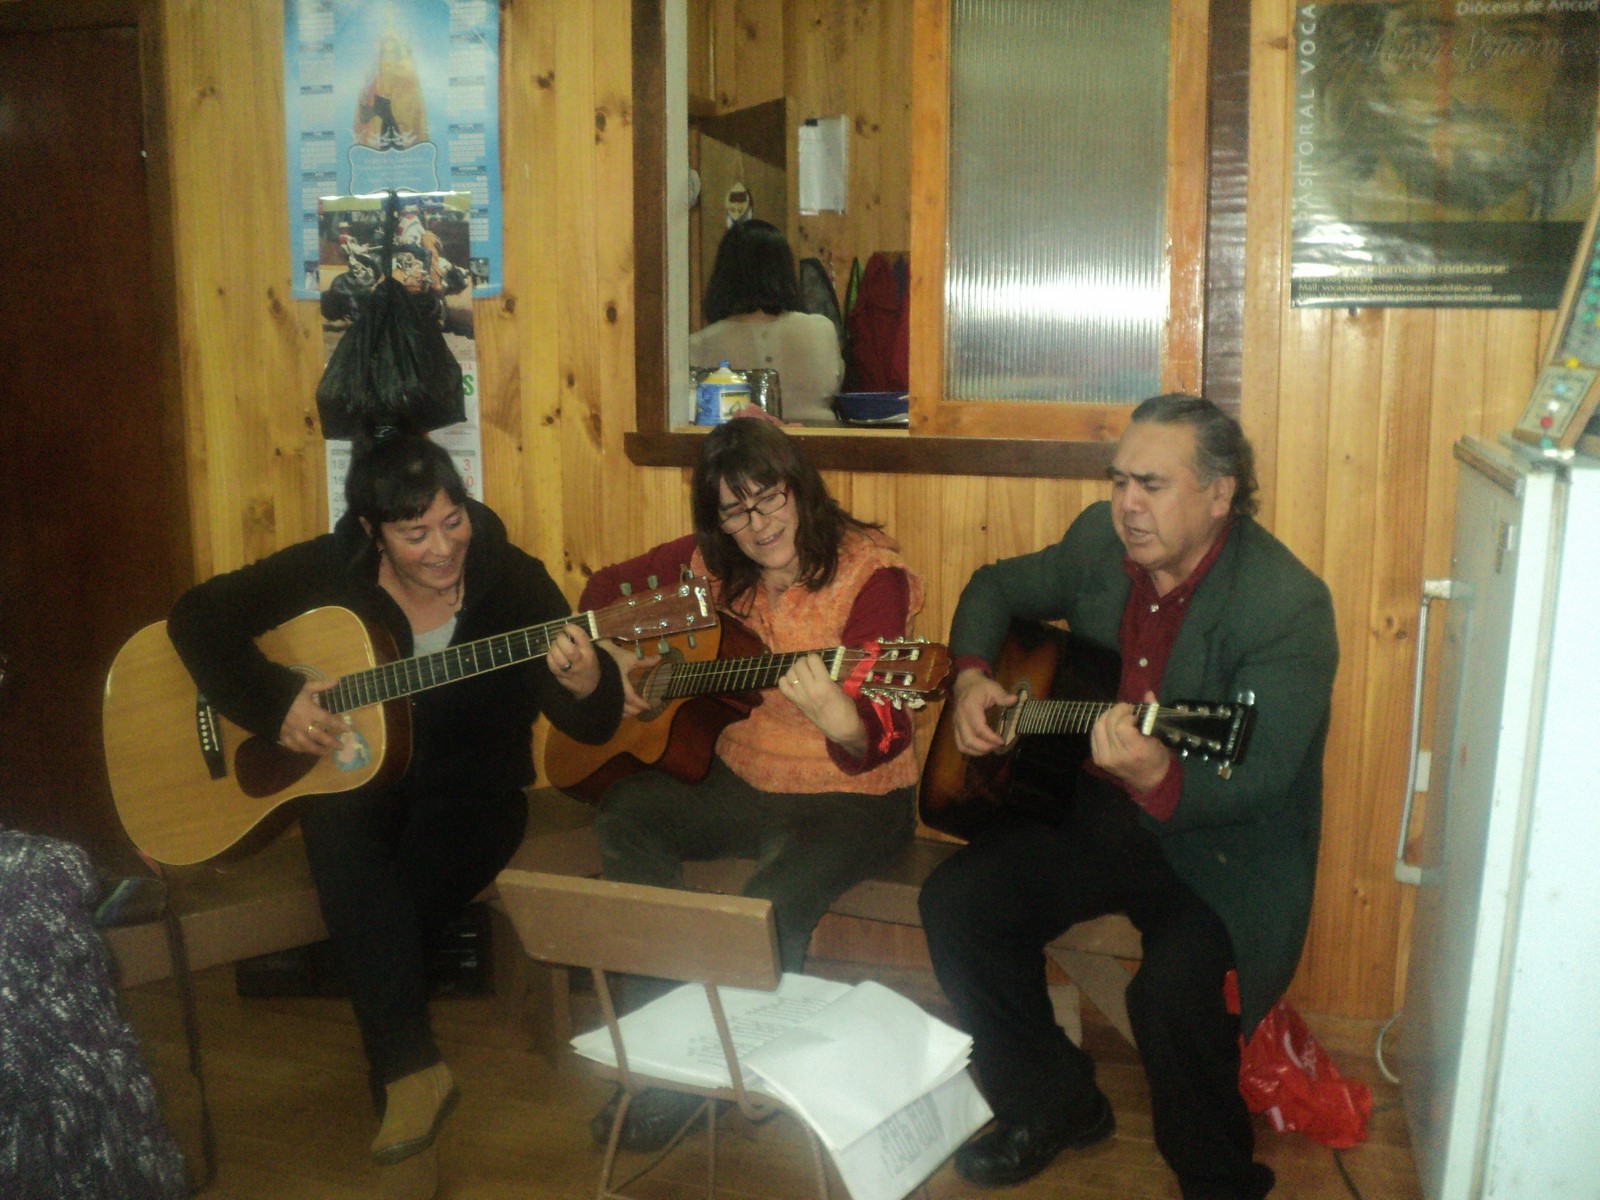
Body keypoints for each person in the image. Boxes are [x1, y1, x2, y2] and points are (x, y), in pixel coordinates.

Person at [166, 433, 623, 1200]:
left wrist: (586, 682)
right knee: (337, 824)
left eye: (453, 521)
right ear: (374, 530)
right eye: (416, 534)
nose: (443, 547)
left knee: (381, 920)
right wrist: (271, 700)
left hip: (473, 799)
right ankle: (412, 1087)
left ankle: (405, 1091)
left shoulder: (514, 585)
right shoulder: (327, 569)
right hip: (362, 791)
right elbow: (195, 616)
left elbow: (594, 725)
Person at [919, 394, 1338, 1199]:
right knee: (959, 906)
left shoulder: (1286, 605)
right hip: (1102, 810)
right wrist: (972, 676)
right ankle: (1054, 1104)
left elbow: (1263, 779)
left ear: (1220, 494)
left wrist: (1162, 775)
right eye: (1118, 482)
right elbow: (993, 586)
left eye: (1151, 484)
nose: (1127, 505)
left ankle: (1218, 1181)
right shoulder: (1095, 543)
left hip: (1226, 845)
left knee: (1171, 994)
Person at [578, 415, 921, 1150]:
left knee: (766, 905)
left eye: (769, 498)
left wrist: (844, 719)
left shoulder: (870, 576)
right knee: (629, 811)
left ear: (799, 488)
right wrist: (614, 663)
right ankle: (669, 1052)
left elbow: (888, 722)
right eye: (734, 510)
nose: (758, 524)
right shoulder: (710, 563)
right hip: (742, 775)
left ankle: (744, 1069)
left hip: (854, 797)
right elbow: (602, 590)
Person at [691, 219, 845, 423]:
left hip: (742, 452)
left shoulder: (700, 344)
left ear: (723, 275)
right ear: (786, 271)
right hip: (819, 449)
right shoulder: (822, 329)